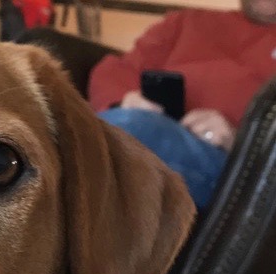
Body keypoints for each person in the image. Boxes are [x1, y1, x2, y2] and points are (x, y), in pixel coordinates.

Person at [88, 0, 276, 208]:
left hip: (232, 165)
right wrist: (123, 100)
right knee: (118, 129)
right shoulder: (184, 22)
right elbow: (116, 70)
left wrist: (240, 142)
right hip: (146, 129)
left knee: (117, 134)